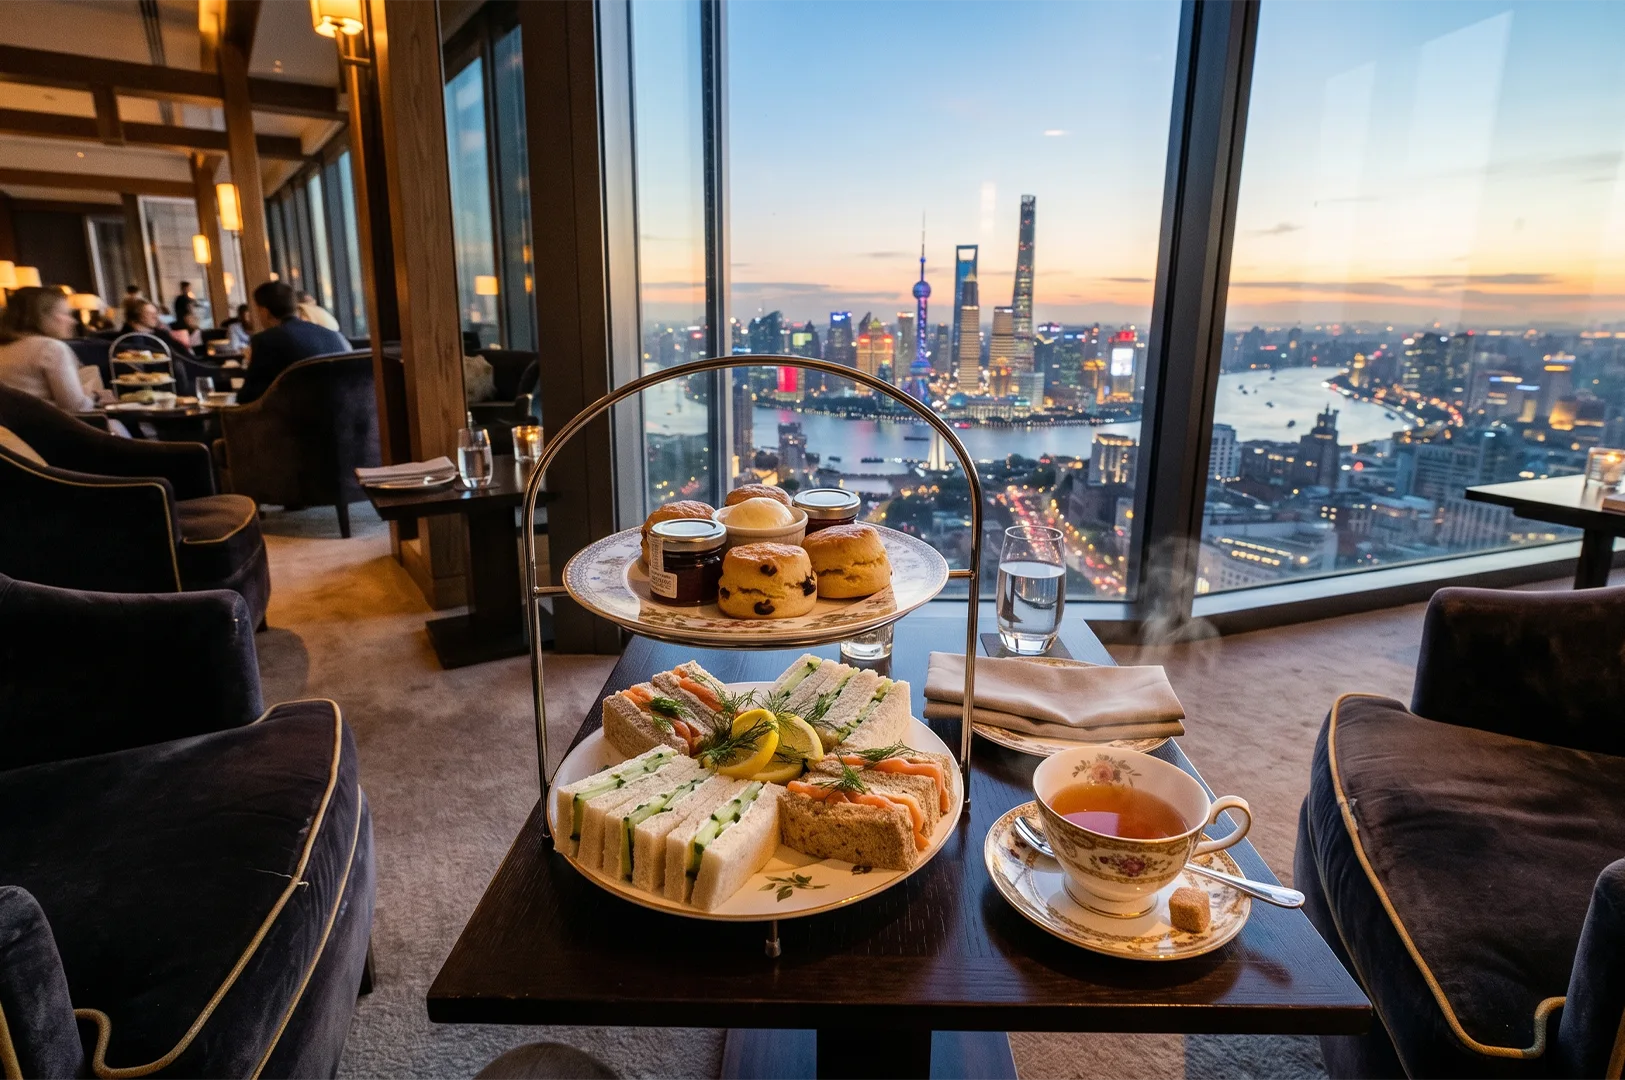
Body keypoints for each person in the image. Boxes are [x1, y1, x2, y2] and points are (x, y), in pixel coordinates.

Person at [238, 281, 350, 405]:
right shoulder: (335, 336)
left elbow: (247, 396)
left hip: (298, 420)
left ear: (264, 312)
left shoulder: (266, 340)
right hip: (348, 416)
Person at [0, 286, 108, 412]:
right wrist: (95, 396)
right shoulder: (50, 348)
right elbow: (77, 408)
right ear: (42, 316)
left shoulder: (5, 348)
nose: (73, 321)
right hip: (48, 429)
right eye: (66, 314)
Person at [119, 297, 196, 361]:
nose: (155, 317)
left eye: (156, 313)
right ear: (136, 316)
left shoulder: (162, 334)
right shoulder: (125, 339)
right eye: (150, 314)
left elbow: (184, 355)